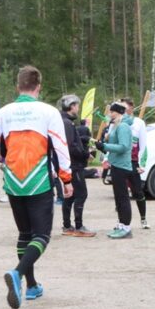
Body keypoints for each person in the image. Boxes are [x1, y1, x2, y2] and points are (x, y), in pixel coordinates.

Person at [0, 65, 73, 309]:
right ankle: (18, 274)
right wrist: (66, 179)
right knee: (41, 236)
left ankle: (32, 286)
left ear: (18, 86)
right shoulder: (48, 112)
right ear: (39, 86)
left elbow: (0, 145)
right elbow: (60, 147)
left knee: (24, 235)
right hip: (38, 180)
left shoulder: (4, 112)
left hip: (13, 181)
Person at [94, 102, 135, 240]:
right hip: (116, 164)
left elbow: (123, 146)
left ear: (117, 113)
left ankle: (126, 228)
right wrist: (102, 143)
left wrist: (105, 146)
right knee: (118, 197)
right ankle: (121, 224)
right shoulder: (116, 125)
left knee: (123, 198)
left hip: (122, 166)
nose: (109, 115)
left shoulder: (123, 126)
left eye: (111, 112)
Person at [58, 94, 95, 237]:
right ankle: (78, 227)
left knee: (70, 195)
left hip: (70, 164)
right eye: (77, 105)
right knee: (81, 194)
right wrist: (86, 154)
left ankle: (67, 226)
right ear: (72, 106)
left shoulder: (65, 121)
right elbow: (70, 146)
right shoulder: (67, 123)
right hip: (73, 165)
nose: (78, 108)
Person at [120, 97, 149, 229]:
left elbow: (143, 145)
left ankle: (143, 219)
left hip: (132, 162)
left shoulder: (139, 123)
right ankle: (122, 222)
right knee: (121, 194)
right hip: (119, 162)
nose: (123, 111)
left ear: (131, 108)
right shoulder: (116, 121)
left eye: (125, 108)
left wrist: (142, 165)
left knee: (138, 192)